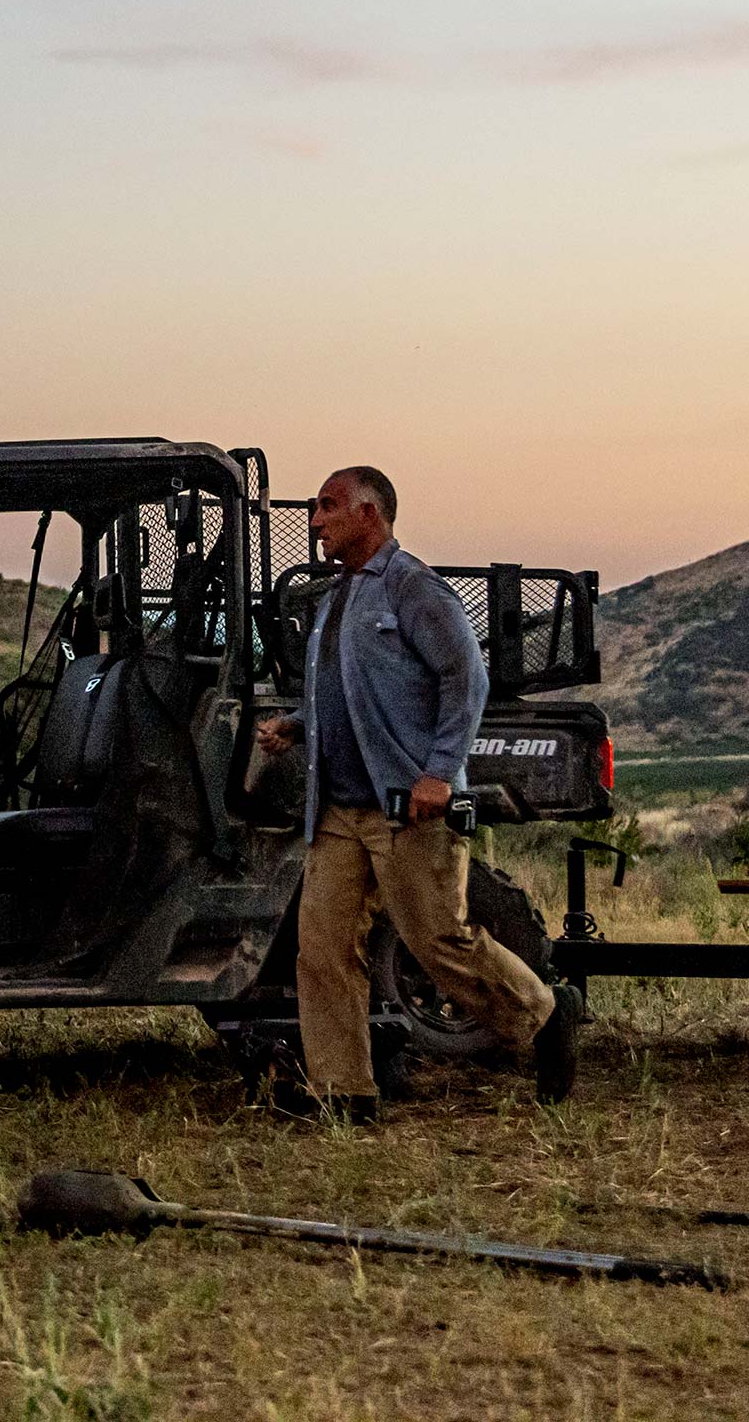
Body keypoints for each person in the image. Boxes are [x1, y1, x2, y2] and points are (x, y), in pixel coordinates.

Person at [257, 466, 572, 1120]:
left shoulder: (414, 587)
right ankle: (345, 1094)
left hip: (411, 804)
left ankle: (541, 1013)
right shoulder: (335, 598)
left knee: (437, 942)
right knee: (320, 949)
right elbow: (346, 695)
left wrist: (439, 769)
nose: (315, 520)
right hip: (340, 809)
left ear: (370, 513)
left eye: (328, 507)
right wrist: (296, 723)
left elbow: (466, 677)